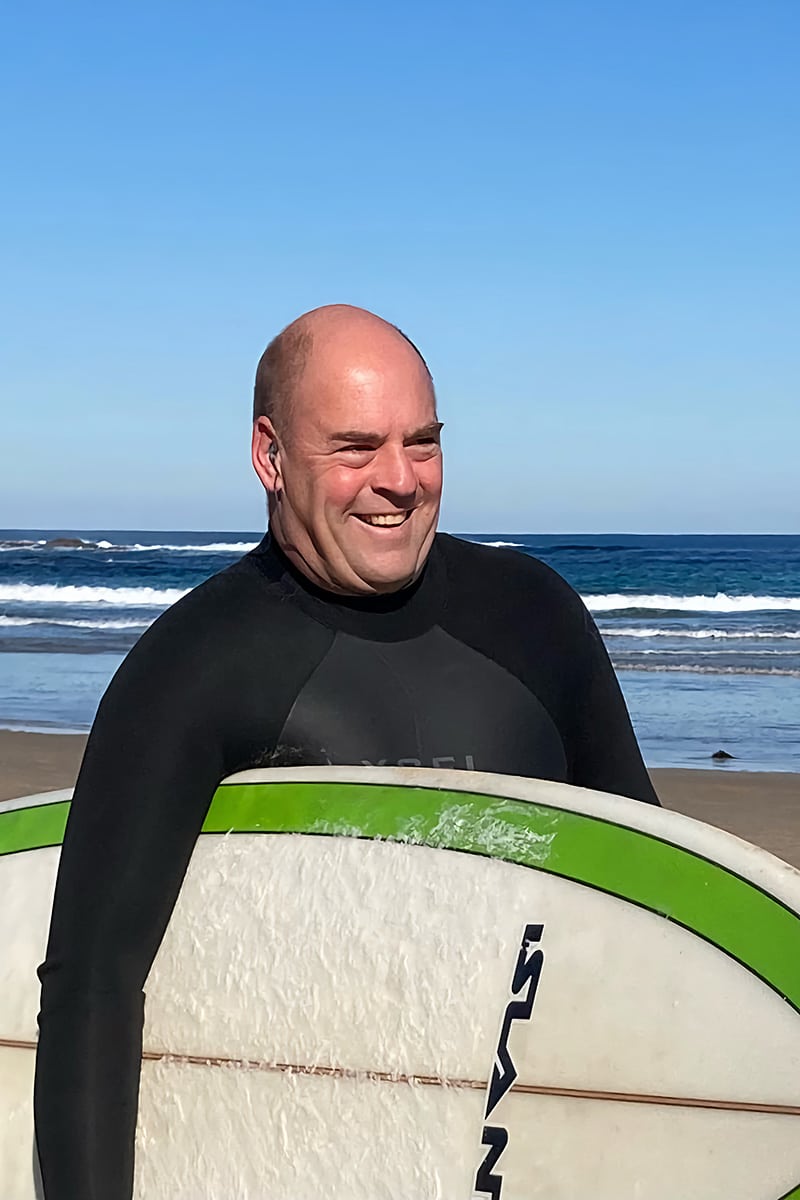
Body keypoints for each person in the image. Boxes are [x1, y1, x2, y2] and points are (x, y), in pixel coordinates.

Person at [34, 304, 658, 1199]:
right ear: (270, 455)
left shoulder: (538, 617)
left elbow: (649, 899)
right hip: (301, 1154)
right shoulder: (192, 667)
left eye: (423, 443)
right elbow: (93, 986)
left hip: (532, 1151)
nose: (399, 480)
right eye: (357, 448)